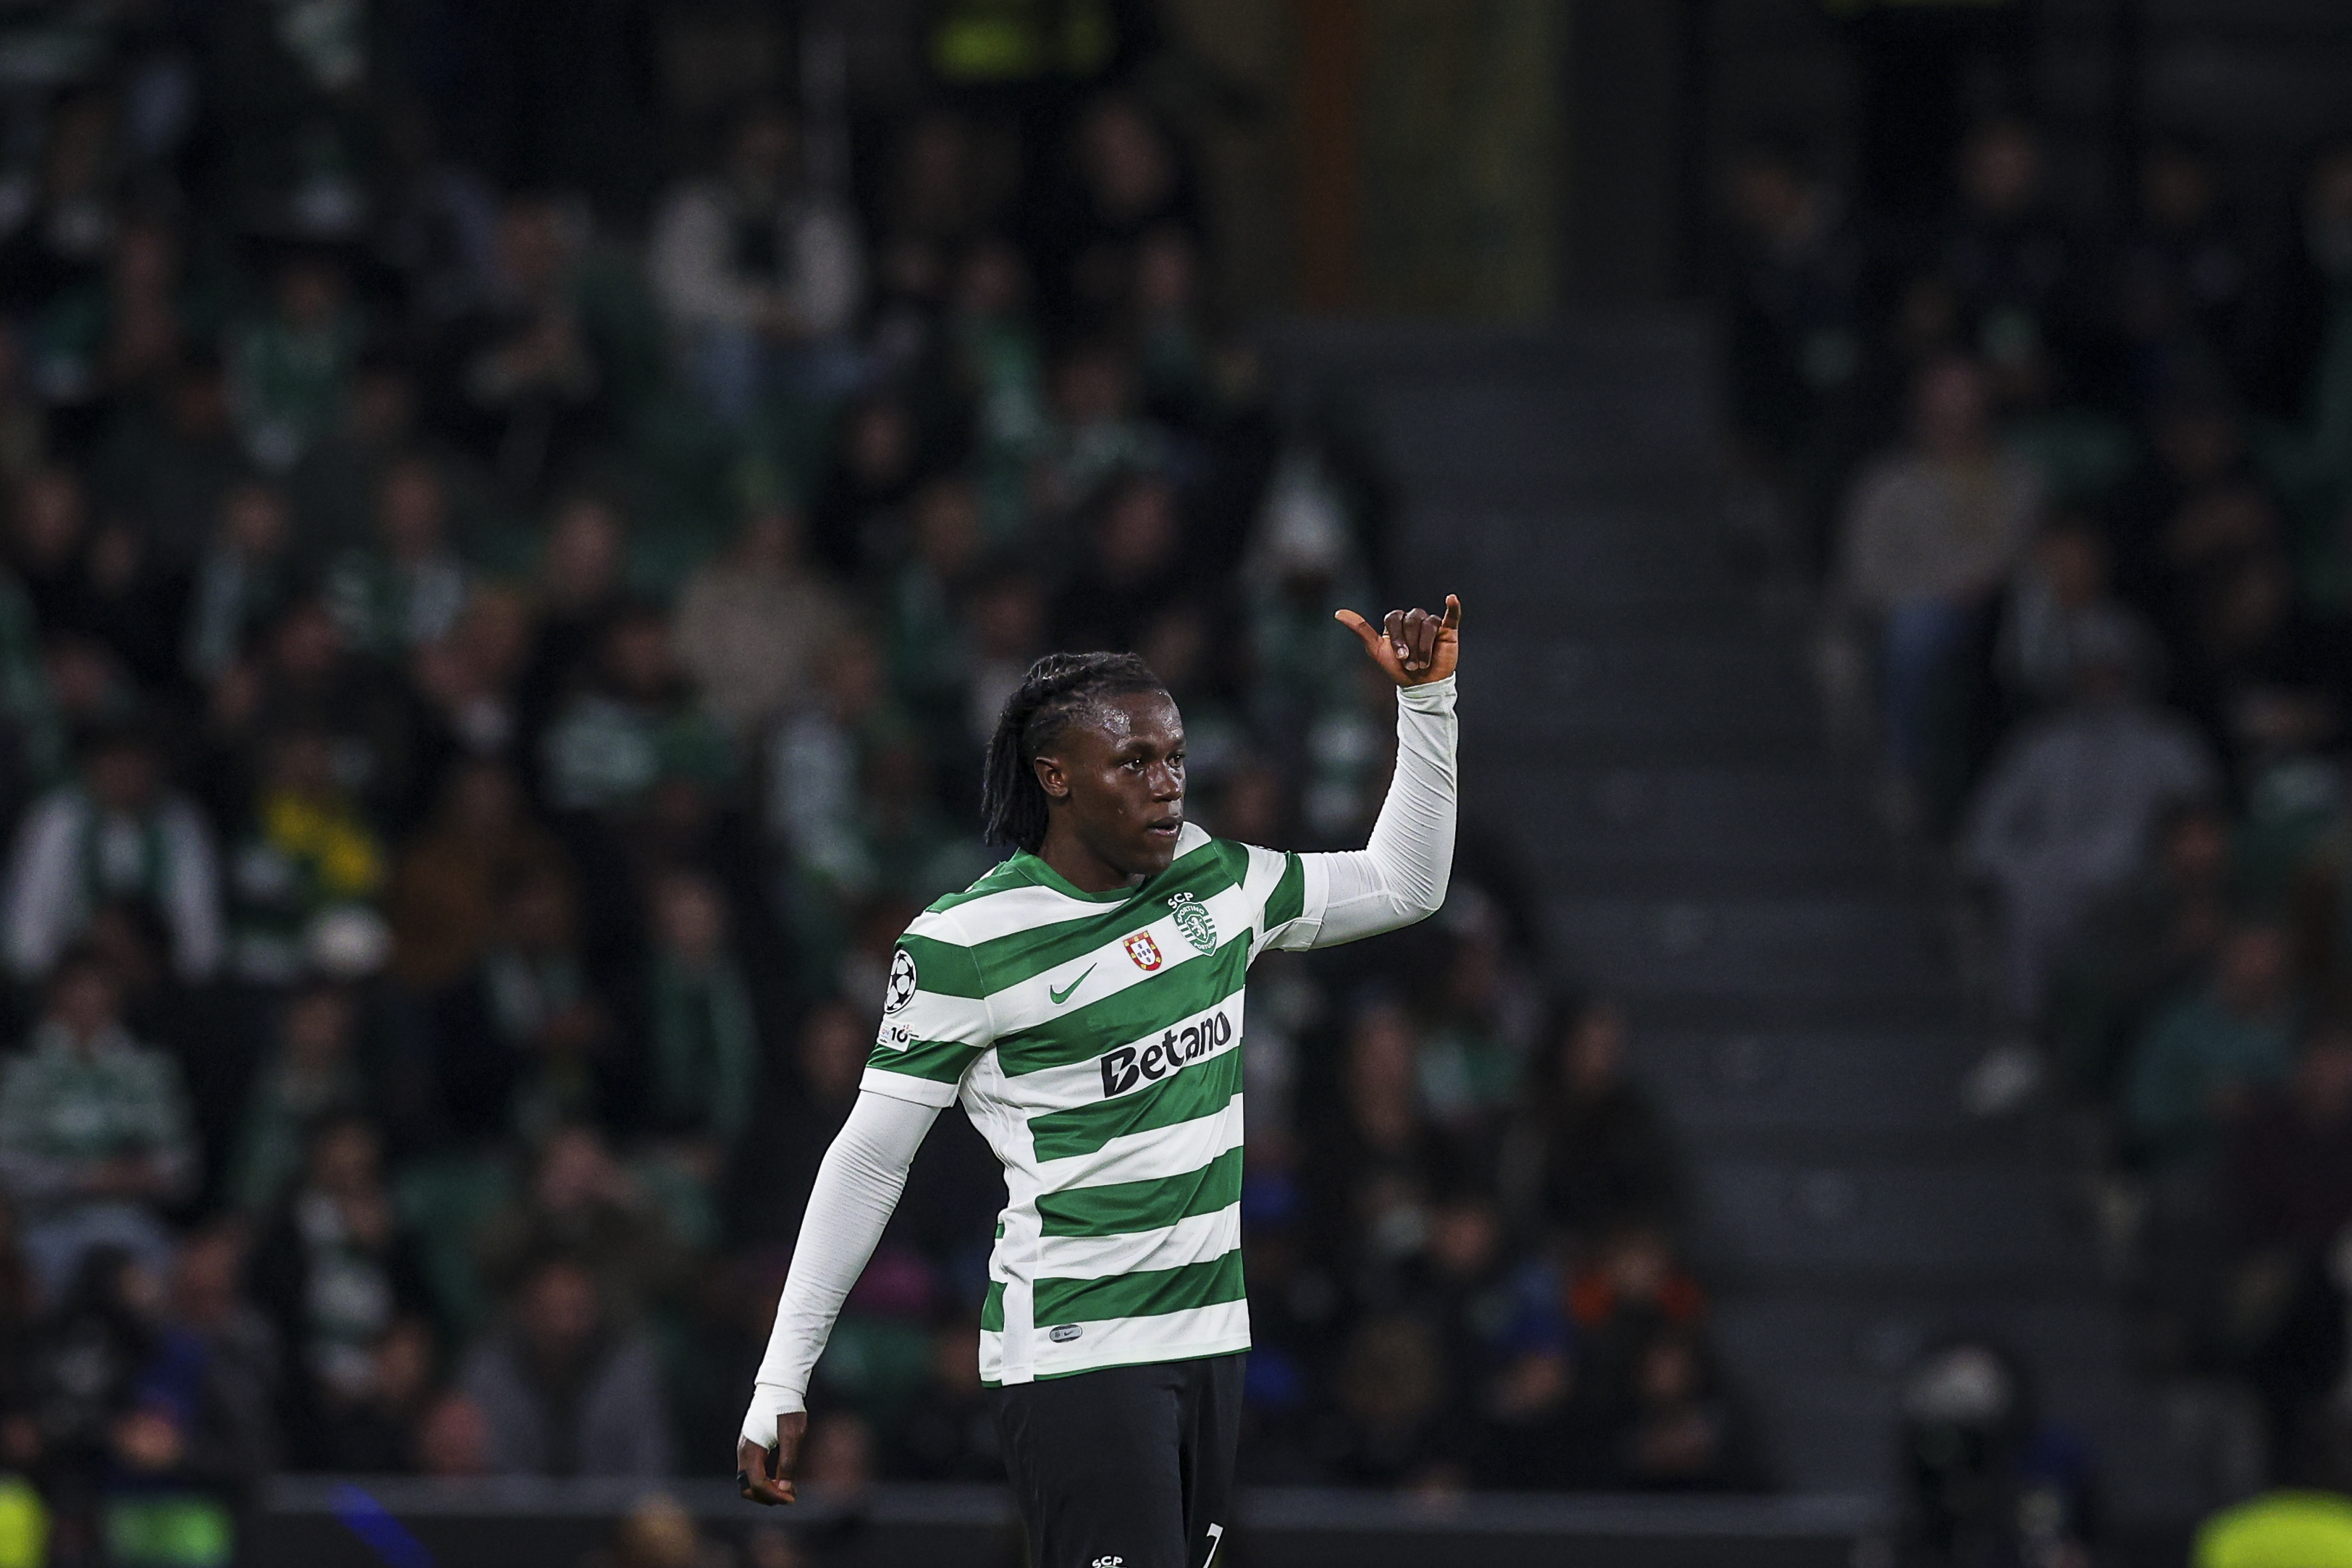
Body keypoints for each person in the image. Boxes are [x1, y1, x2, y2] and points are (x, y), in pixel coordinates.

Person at [738, 595, 1464, 1568]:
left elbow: (1403, 884)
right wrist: (783, 1374)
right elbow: (869, 1162)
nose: (1167, 786)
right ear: (1057, 778)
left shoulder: (1214, 876)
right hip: (1080, 1343)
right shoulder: (965, 943)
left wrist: (1428, 704)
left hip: (1210, 1335)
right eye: (1134, 763)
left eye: (1174, 757)